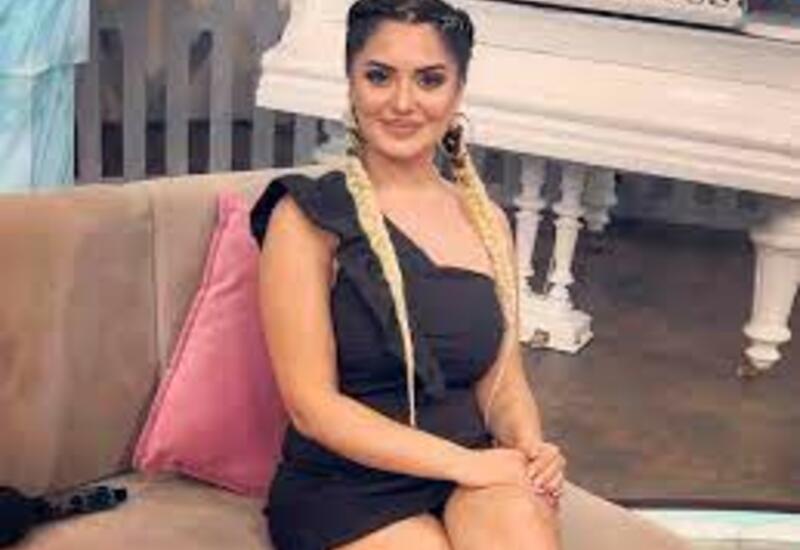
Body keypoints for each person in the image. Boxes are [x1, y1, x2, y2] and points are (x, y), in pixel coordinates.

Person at [249, 1, 566, 548]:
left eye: (429, 80)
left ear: (458, 92)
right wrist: (466, 465)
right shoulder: (305, 217)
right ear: (351, 83)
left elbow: (503, 383)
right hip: (346, 487)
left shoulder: (487, 221)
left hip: (467, 467)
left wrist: (530, 449)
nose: (402, 102)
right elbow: (312, 408)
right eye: (379, 76)